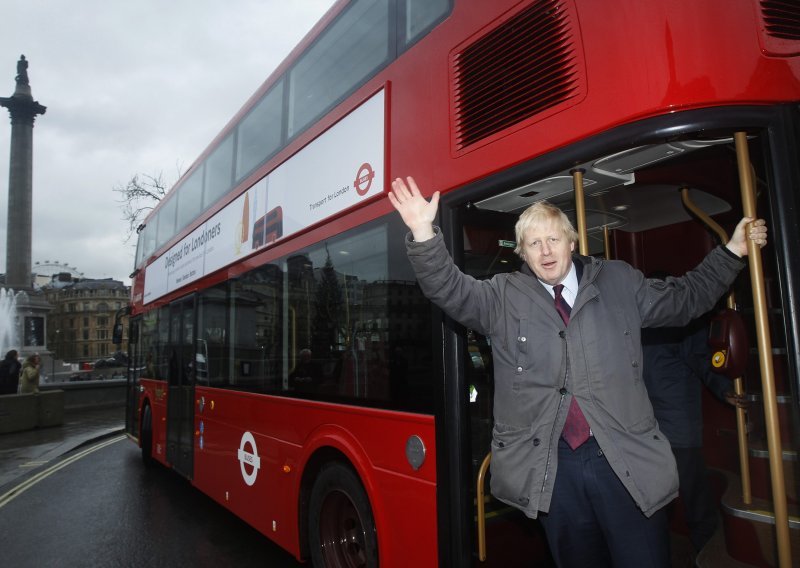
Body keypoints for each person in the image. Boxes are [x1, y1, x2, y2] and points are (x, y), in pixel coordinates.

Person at [388, 176, 768, 568]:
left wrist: (733, 250)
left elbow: (685, 299)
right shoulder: (501, 297)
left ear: (572, 242)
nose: (545, 250)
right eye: (533, 243)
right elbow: (449, 289)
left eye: (553, 239)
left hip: (622, 458)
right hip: (553, 469)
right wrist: (422, 232)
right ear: (522, 253)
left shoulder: (620, 281)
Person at [642, 313, 746, 553]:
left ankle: (706, 550)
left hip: (678, 432)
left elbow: (704, 361)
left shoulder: (682, 326)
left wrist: (725, 389)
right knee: (658, 503)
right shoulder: (635, 328)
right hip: (650, 432)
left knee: (695, 499)